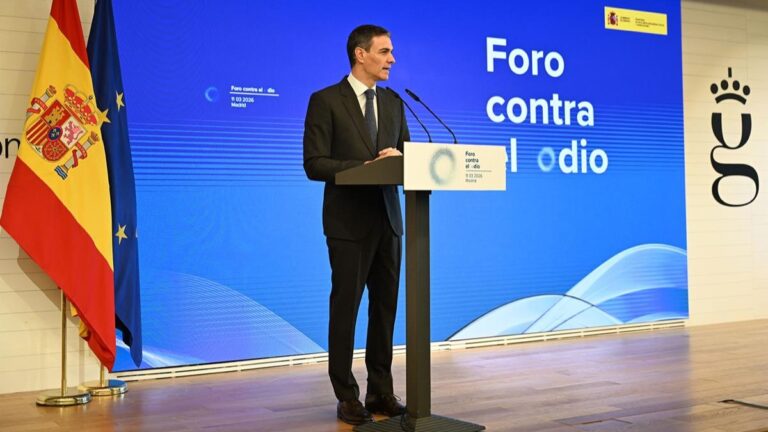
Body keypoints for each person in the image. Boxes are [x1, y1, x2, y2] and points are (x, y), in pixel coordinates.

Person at [303, 24, 410, 425]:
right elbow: (314, 163)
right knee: (345, 308)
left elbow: (409, 158)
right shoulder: (326, 101)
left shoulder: (395, 104)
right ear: (360, 54)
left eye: (391, 52)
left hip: (389, 220)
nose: (392, 60)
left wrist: (398, 158)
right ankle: (346, 394)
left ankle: (380, 391)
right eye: (384, 52)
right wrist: (365, 167)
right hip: (348, 223)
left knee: (385, 309)